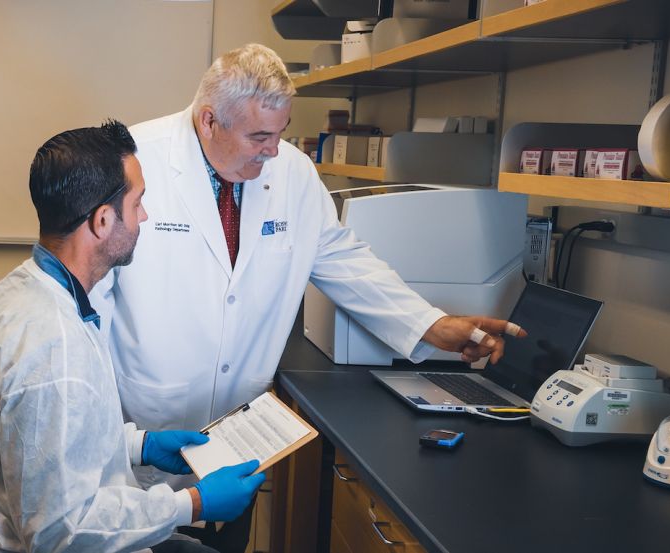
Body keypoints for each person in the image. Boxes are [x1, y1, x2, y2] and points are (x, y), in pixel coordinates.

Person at [90, 44, 525, 552]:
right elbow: (90, 301)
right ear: (209, 121)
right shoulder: (135, 164)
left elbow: (344, 261)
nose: (274, 150)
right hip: (142, 431)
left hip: (238, 434)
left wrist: (433, 327)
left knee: (229, 540)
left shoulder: (291, 172)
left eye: (280, 132)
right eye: (259, 136)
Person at [0, 121, 267, 553]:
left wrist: (139, 445)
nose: (145, 217)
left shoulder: (18, 294)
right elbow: (59, 533)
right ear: (102, 220)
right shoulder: (52, 348)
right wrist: (192, 504)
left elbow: (47, 443)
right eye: (137, 204)